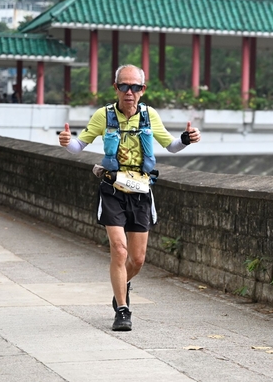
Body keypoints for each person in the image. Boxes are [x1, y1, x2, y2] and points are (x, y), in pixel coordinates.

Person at [58, 64, 200, 331]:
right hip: (112, 189)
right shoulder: (103, 115)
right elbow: (79, 146)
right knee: (119, 249)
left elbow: (171, 146)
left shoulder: (149, 115)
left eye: (135, 87)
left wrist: (186, 138)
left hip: (141, 191)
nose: (129, 92)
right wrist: (67, 141)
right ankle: (122, 310)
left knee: (137, 259)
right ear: (116, 88)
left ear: (142, 90)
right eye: (124, 86)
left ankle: (121, 286)